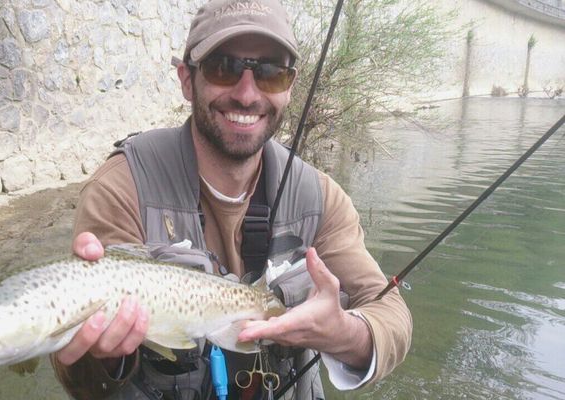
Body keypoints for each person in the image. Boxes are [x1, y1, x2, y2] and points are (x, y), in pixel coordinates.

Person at [51, 0, 412, 398]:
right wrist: (106, 357)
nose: (246, 93)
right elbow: (79, 375)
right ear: (187, 79)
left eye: (270, 73)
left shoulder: (320, 197)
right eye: (224, 67)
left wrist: (345, 333)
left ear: (290, 87)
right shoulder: (122, 188)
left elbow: (390, 314)